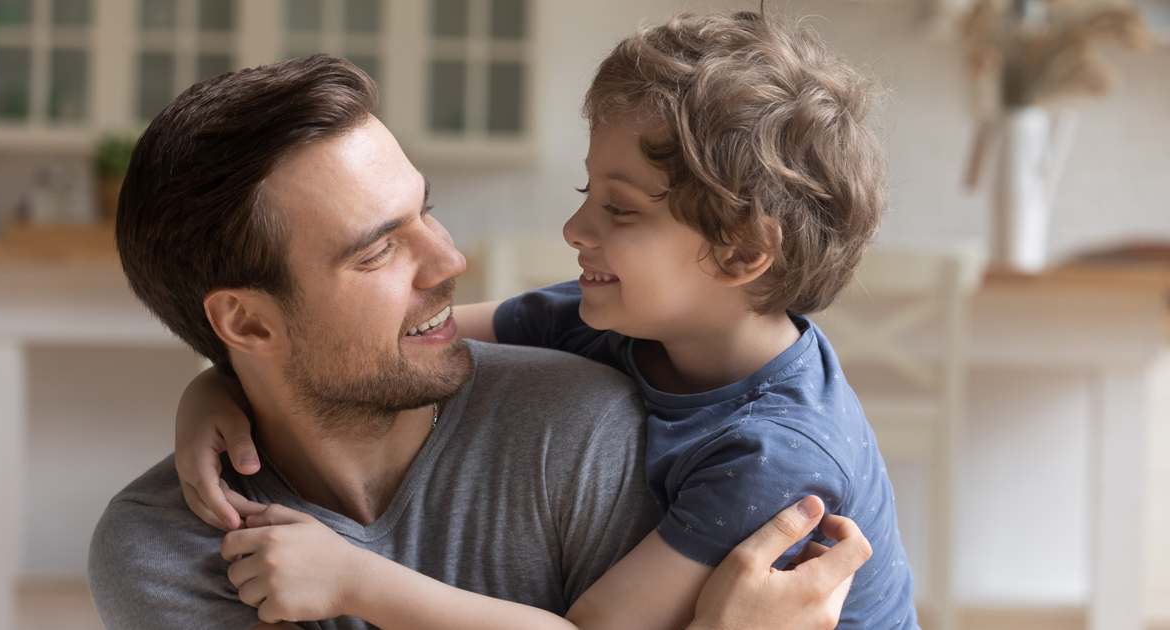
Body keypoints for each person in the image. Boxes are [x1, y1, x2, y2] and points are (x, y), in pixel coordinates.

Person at [173, 10, 915, 630]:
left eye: (619, 209)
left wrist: (352, 580)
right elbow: (381, 343)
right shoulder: (615, 318)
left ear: (743, 251)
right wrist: (219, 385)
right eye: (586, 191)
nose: (574, 226)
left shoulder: (775, 456)